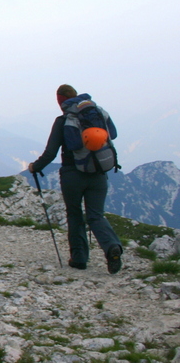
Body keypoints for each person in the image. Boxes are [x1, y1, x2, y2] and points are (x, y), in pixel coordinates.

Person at [28, 84, 123, 273]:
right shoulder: (97, 113)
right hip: (98, 173)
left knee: (74, 214)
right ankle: (111, 246)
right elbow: (113, 134)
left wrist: (35, 167)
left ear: (60, 100)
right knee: (96, 215)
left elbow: (50, 153)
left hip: (72, 175)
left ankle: (79, 258)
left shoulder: (63, 121)